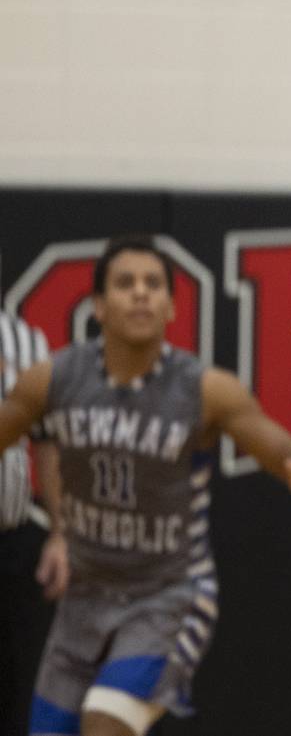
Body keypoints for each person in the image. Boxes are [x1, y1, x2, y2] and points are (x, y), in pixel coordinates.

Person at [0, 235, 291, 736]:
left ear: (170, 306)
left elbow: (279, 445)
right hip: (85, 595)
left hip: (169, 594)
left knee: (104, 724)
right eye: (126, 283)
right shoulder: (52, 379)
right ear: (98, 305)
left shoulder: (203, 388)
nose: (141, 293)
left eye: (153, 284)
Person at [0, 311, 65, 736]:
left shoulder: (25, 341)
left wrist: (61, 534)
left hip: (12, 541)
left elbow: (47, 444)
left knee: (14, 695)